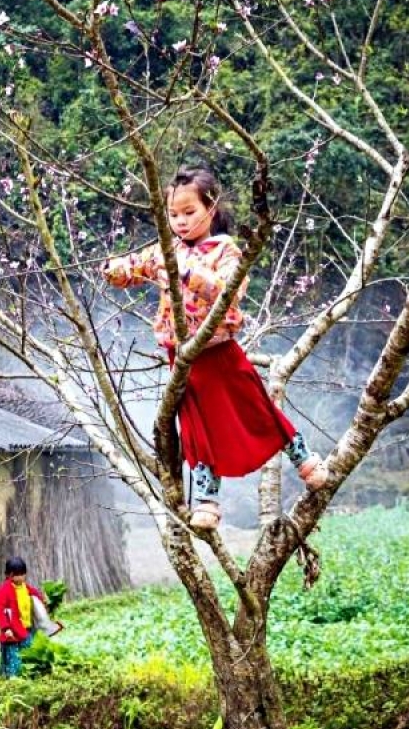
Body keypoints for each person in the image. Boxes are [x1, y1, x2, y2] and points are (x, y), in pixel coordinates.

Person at [103, 166, 331, 530]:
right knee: (196, 429)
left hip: (218, 350)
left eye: (189, 211)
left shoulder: (225, 250)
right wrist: (112, 268)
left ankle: (305, 461)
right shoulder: (166, 250)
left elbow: (228, 291)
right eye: (173, 214)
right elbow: (132, 269)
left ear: (210, 208)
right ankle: (207, 502)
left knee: (257, 407)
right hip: (181, 355)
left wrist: (183, 271)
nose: (180, 221)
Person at [0, 556, 60, 679]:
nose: (20, 578)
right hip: (12, 633)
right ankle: (14, 680)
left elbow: (38, 600)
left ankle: (34, 676)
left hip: (26, 630)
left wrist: (47, 604)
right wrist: (6, 628)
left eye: (22, 574)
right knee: (14, 660)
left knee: (31, 654)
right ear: (9, 575)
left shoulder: (26, 588)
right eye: (17, 575)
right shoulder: (3, 591)